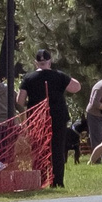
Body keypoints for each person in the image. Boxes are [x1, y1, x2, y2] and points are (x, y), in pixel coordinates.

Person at [20, 49, 79, 188]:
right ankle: (57, 181)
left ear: (36, 63)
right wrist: (64, 78)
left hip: (37, 118)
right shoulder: (59, 76)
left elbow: (20, 100)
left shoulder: (28, 78)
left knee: (39, 149)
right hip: (58, 117)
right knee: (57, 149)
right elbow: (76, 87)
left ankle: (40, 180)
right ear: (49, 62)